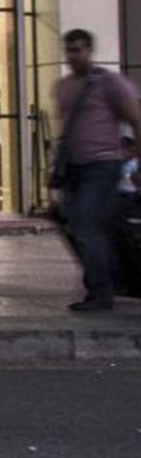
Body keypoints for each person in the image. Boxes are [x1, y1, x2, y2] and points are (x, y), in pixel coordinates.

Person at [51, 27, 141, 312]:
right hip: (74, 167)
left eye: (78, 50)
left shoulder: (109, 83)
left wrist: (136, 161)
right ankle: (108, 281)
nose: (73, 56)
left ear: (90, 50)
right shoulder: (63, 86)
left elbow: (136, 119)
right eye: (69, 50)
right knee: (80, 226)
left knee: (88, 226)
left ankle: (101, 292)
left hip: (102, 164)